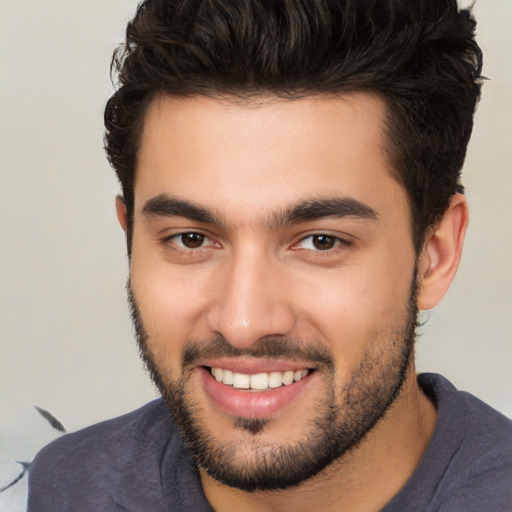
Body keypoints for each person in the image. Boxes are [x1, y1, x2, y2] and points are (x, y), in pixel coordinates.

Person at [27, 0, 512, 510]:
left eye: (321, 241)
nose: (243, 322)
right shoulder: (72, 485)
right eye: (191, 239)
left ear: (434, 255)